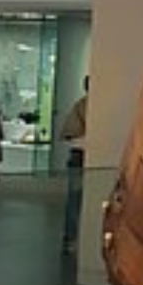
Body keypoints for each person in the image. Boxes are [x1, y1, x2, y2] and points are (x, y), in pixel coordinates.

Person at [60, 77, 88, 253]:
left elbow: (69, 132)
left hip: (78, 154)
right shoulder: (92, 106)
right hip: (84, 154)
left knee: (74, 199)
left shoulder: (80, 105)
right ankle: (74, 238)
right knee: (77, 199)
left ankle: (71, 239)